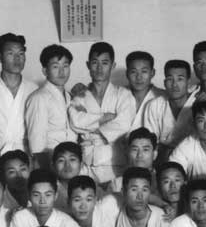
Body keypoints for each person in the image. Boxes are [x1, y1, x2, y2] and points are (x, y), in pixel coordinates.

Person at [67, 42, 135, 185]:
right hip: (87, 162)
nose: (99, 68)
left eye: (104, 63)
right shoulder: (80, 97)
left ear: (113, 65)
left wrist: (90, 127)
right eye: (94, 63)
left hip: (115, 163)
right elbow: (75, 123)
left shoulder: (123, 94)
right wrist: (104, 118)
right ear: (88, 65)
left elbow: (123, 125)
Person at [25, 43, 75, 167]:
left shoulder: (70, 97)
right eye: (55, 66)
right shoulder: (39, 98)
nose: (62, 71)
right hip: (50, 160)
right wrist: (44, 170)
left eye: (65, 66)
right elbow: (36, 141)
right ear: (45, 70)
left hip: (71, 159)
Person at [139, 59, 196, 154]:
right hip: (161, 156)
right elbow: (150, 141)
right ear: (165, 82)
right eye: (170, 79)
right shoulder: (154, 105)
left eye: (180, 79)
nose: (174, 85)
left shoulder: (197, 103)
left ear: (188, 82)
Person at [124, 50, 163, 126]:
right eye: (133, 72)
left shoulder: (163, 97)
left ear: (152, 73)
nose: (139, 77)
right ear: (127, 73)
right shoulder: (117, 95)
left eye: (144, 71)